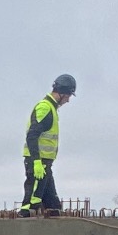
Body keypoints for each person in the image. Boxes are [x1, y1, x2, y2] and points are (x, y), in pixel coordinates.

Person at [20, 74, 77, 216]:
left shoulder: (51, 108)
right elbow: (32, 136)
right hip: (38, 163)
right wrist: (36, 162)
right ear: (62, 93)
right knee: (31, 202)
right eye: (68, 95)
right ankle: (22, 227)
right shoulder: (45, 108)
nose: (68, 100)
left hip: (45, 164)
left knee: (53, 205)